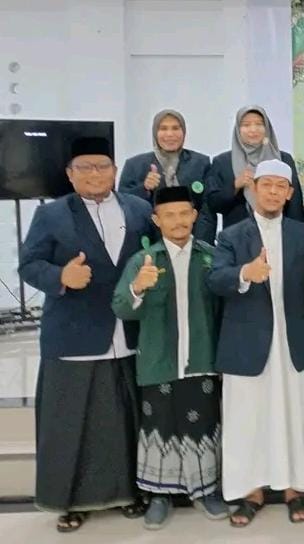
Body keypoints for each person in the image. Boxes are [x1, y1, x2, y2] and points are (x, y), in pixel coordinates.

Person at [19, 137, 154, 532]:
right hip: (74, 335)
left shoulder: (139, 208)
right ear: (70, 174)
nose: (95, 174)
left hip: (127, 333)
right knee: (70, 422)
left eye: (102, 166)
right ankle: (70, 500)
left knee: (123, 419)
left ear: (115, 170)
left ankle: (128, 492)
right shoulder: (51, 215)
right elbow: (29, 264)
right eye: (85, 167)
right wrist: (60, 276)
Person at [207, 159, 304, 527]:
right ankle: (251, 492)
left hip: (291, 340)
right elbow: (215, 280)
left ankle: (294, 489)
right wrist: (246, 272)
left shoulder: (302, 235)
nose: (273, 192)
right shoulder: (231, 235)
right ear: (254, 189)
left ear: (289, 193)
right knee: (247, 420)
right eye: (266, 185)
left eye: (280, 186)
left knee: (291, 416)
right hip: (246, 342)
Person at [111, 186, 226, 529]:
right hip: (158, 361)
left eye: (184, 214)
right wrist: (137, 287)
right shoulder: (143, 261)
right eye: (169, 215)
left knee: (203, 425)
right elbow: (120, 307)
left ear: (194, 216)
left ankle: (206, 490)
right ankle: (159, 495)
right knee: (159, 428)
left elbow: (223, 310)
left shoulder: (210, 257)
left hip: (202, 360)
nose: (178, 221)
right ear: (156, 219)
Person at [118, 109, 217, 243]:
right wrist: (145, 188)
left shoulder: (200, 163)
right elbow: (123, 205)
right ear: (155, 132)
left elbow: (207, 209)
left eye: (175, 128)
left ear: (184, 132)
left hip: (192, 241)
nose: (170, 134)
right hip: (149, 242)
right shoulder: (135, 165)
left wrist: (201, 244)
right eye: (163, 128)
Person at [205, 105, 304, 229]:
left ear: (267, 128)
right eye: (246, 125)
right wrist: (235, 186)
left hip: (279, 231)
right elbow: (213, 204)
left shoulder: (283, 159)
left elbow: (295, 203)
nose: (253, 129)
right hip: (238, 234)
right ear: (238, 129)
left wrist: (298, 232)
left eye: (259, 124)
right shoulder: (223, 162)